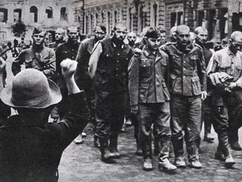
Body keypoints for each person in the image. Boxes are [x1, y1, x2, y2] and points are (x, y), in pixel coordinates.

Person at [0, 60, 88, 182]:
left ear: (14, 106)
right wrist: (69, 78)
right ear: (48, 108)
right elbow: (80, 115)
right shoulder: (54, 134)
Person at [128, 27, 177, 173]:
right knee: (145, 131)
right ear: (146, 40)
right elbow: (133, 80)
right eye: (152, 40)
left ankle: (164, 159)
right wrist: (134, 103)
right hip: (145, 99)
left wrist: (167, 95)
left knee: (165, 130)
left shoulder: (164, 56)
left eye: (158, 40)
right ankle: (147, 157)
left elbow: (166, 78)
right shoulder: (138, 57)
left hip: (162, 97)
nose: (156, 43)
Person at [162, 25, 207, 169]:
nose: (185, 39)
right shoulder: (168, 49)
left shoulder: (197, 50)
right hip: (176, 93)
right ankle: (179, 156)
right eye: (181, 36)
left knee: (194, 127)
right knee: (176, 128)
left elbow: (202, 71)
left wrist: (203, 89)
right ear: (175, 36)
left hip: (194, 94)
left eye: (187, 36)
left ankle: (194, 157)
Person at [88, 23, 133, 163]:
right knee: (102, 118)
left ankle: (114, 146)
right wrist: (97, 83)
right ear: (113, 31)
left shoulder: (128, 49)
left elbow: (130, 70)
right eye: (118, 32)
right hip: (104, 89)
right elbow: (92, 66)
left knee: (118, 118)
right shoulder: (102, 44)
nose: (121, 35)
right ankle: (104, 149)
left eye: (123, 32)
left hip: (120, 90)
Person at [206, 31, 242, 167]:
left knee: (231, 123)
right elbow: (210, 73)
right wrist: (220, 78)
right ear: (230, 42)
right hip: (220, 93)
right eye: (236, 44)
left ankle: (220, 151)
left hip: (236, 95)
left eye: (240, 45)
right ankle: (227, 154)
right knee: (223, 122)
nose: (238, 47)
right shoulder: (218, 55)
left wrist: (236, 83)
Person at [75, 25, 106, 146]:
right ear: (93, 32)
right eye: (97, 32)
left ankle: (97, 136)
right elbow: (79, 62)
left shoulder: (105, 45)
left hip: (98, 81)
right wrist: (77, 80)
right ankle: (79, 132)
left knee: (96, 108)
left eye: (102, 33)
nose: (99, 35)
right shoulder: (85, 44)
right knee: (82, 106)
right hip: (84, 79)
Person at [55, 26, 82, 142]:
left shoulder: (81, 47)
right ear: (67, 34)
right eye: (70, 33)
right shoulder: (61, 48)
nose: (73, 35)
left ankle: (79, 132)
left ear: (78, 33)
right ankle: (64, 128)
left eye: (75, 33)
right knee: (64, 105)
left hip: (78, 80)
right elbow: (57, 67)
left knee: (78, 105)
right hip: (64, 80)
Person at [193, 26, 215, 143]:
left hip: (208, 85)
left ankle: (207, 132)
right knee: (198, 112)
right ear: (196, 35)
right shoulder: (192, 49)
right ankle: (196, 136)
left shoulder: (209, 52)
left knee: (208, 111)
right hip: (196, 83)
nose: (204, 38)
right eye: (201, 35)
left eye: (205, 36)